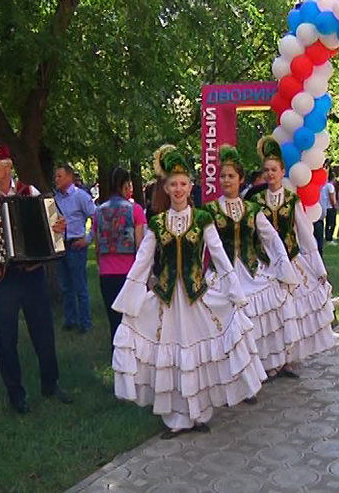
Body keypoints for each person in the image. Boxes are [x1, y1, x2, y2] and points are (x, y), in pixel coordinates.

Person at [111, 145, 265, 439]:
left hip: (197, 298)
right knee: (172, 354)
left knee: (197, 353)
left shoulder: (202, 218)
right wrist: (129, 299)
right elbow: (143, 260)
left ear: (190, 186)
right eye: (173, 184)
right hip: (168, 301)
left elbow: (218, 255)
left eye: (183, 184)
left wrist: (235, 292)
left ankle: (199, 414)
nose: (179, 189)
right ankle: (176, 418)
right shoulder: (157, 223)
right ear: (165, 188)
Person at [0, 145, 72, 414]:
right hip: (1, 279)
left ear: (7, 166)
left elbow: (54, 225)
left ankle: (51, 385)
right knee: (6, 340)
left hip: (31, 275)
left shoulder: (30, 193)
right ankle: (16, 396)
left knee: (44, 333)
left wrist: (58, 227)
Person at [204, 145, 301, 380]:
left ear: (241, 179)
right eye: (223, 176)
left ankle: (267, 363)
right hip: (222, 274)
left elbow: (272, 238)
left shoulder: (252, 209)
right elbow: (204, 248)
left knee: (274, 299)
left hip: (250, 269)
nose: (226, 181)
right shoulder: (210, 210)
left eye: (231, 176)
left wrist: (284, 269)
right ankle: (231, 372)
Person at [251, 137, 335, 362]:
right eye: (266, 170)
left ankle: (289, 359)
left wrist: (318, 267)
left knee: (293, 313)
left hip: (292, 260)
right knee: (273, 314)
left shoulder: (291, 200)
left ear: (282, 171)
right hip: (266, 263)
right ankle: (272, 359)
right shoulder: (256, 200)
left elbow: (306, 236)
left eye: (274, 170)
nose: (270, 174)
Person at [94, 168, 147, 350]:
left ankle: (116, 357)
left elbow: (97, 247)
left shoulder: (99, 211)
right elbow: (141, 246)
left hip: (106, 274)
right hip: (130, 273)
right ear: (126, 186)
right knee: (133, 321)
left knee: (114, 322)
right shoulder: (136, 210)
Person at [54, 163, 97, 333]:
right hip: (60, 246)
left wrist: (88, 239)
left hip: (76, 246)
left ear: (69, 177)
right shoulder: (56, 199)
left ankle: (85, 323)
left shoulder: (81, 197)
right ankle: (70, 320)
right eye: (56, 176)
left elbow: (96, 217)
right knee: (65, 286)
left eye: (60, 176)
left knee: (80, 286)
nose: (56, 179)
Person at [321, 173, 337, 243]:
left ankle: (326, 236)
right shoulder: (330, 186)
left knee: (327, 223)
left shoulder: (323, 186)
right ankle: (329, 238)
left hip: (324, 206)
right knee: (332, 223)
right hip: (330, 207)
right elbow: (331, 197)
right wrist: (334, 205)